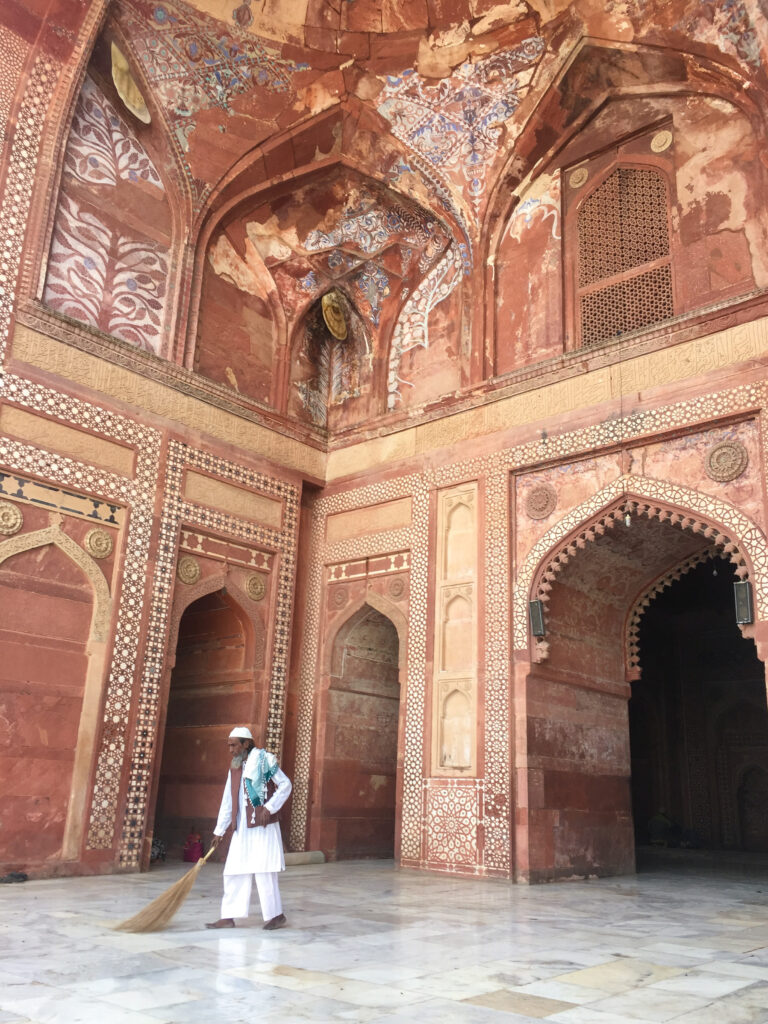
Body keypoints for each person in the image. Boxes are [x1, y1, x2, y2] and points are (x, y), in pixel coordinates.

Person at [205, 726, 292, 930]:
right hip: (241, 827)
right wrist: (219, 830)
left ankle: (275, 915)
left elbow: (285, 785)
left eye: (234, 745)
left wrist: (269, 808)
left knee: (264, 870)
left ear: (246, 744)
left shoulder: (264, 760)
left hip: (262, 826)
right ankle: (228, 916)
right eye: (229, 745)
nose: (231, 750)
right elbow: (228, 799)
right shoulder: (235, 766)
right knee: (234, 870)